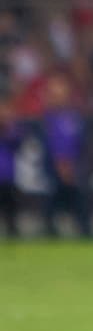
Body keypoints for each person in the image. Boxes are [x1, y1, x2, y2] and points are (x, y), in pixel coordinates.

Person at [38, 75, 93, 238]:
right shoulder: (45, 119)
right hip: (52, 168)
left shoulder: (74, 118)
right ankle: (50, 231)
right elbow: (51, 143)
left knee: (80, 200)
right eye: (54, 93)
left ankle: (85, 231)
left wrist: (71, 165)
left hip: (75, 167)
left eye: (61, 92)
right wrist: (60, 164)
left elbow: (79, 142)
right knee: (52, 200)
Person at [0, 96, 25, 237]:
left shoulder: (13, 128)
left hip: (8, 175)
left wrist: (7, 126)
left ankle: (12, 232)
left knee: (10, 209)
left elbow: (17, 141)